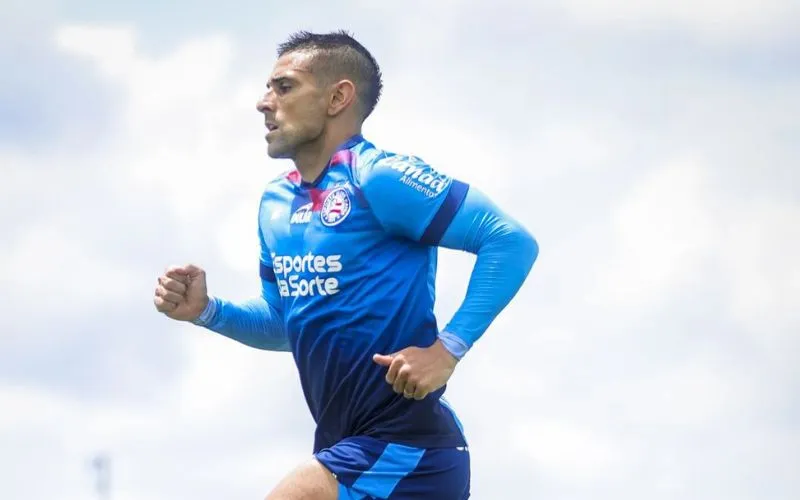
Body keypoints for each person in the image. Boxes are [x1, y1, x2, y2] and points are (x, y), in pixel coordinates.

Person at [153, 30, 538, 500]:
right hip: (352, 447)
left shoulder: (379, 177)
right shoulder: (275, 203)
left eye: (284, 86)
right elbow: (284, 323)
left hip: (406, 446)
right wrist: (208, 311)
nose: (263, 102)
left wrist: (447, 350)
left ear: (338, 97)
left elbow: (510, 241)